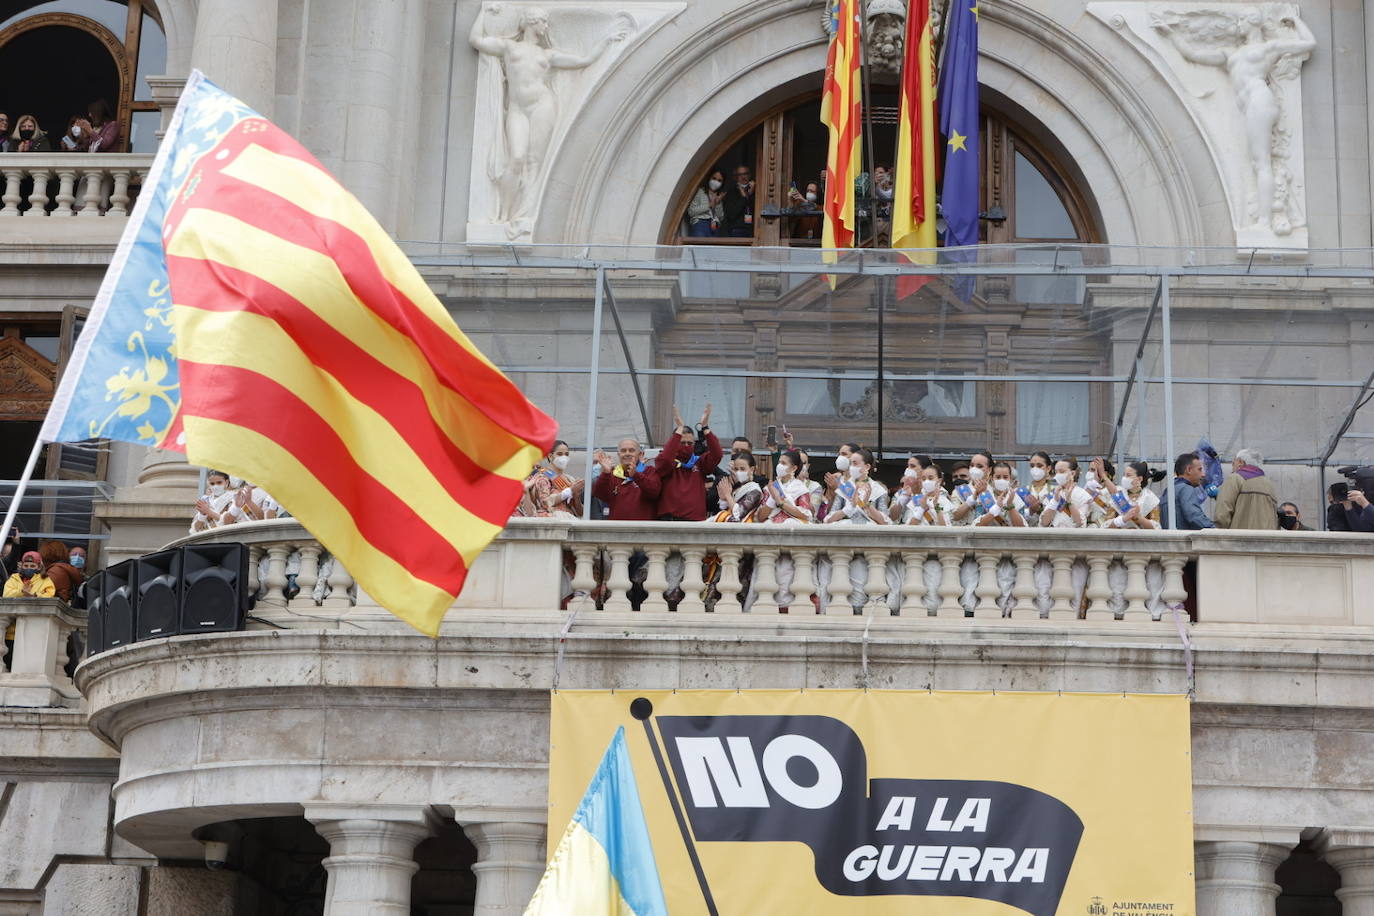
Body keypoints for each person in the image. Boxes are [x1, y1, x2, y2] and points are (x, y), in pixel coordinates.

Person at [653, 404, 722, 521]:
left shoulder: (699, 463)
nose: (686, 446)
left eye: (690, 444)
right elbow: (664, 460)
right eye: (682, 443)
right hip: (670, 521)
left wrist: (705, 428)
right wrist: (679, 429)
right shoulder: (667, 462)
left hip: (695, 521)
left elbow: (717, 454)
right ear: (674, 443)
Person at [592, 438, 661, 521]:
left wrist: (636, 475)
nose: (627, 453)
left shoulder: (650, 471)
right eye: (623, 451)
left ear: (640, 454)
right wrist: (605, 473)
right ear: (618, 454)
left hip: (643, 530)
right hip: (617, 530)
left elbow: (654, 492)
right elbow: (600, 494)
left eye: (631, 450)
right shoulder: (613, 474)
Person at [1214, 448, 1278, 530]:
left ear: (1240, 462)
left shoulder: (1235, 478)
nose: (1232, 467)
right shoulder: (1269, 485)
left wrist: (1220, 533)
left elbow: (1222, 514)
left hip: (1240, 539)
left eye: (1233, 463)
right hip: (1264, 540)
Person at [824, 448, 889, 524]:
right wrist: (848, 508)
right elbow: (828, 520)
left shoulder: (878, 489)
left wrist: (866, 505)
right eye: (850, 463)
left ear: (867, 466)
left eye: (855, 463)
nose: (851, 467)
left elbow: (886, 523)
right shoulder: (845, 487)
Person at [1100, 461, 1166, 529]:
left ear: (1140, 479)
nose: (1124, 478)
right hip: (1119, 538)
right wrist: (1123, 519)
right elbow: (1105, 525)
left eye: (1128, 475)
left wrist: (1138, 517)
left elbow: (1156, 528)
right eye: (1124, 475)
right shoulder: (1119, 495)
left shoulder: (1150, 498)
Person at [530, 440, 584, 518]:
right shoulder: (542, 477)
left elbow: (580, 513)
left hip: (570, 520)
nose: (564, 457)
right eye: (560, 454)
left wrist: (576, 496)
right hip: (552, 522)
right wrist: (568, 492)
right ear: (550, 456)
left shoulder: (570, 479)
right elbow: (545, 503)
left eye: (566, 454)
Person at [1040, 457, 1092, 528]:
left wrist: (1069, 501)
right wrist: (1055, 501)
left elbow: (1080, 523)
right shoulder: (1052, 493)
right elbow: (1044, 522)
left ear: (1073, 473)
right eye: (1056, 472)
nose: (1057, 475)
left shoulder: (1083, 495)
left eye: (1061, 472)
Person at [714, 452, 763, 522]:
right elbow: (724, 512)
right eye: (736, 469)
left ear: (752, 469)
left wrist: (727, 495)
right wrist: (724, 499)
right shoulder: (737, 488)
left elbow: (739, 513)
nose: (739, 472)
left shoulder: (755, 490)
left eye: (742, 469)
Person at [1171, 452, 1215, 530]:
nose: (1203, 475)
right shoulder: (1186, 489)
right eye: (1200, 469)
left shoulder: (1169, 490)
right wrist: (1214, 529)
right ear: (1189, 470)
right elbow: (1194, 516)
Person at [977, 462, 1030, 526]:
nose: (1001, 480)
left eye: (1005, 477)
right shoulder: (984, 497)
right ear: (991, 478)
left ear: (1010, 479)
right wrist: (997, 507)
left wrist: (1010, 506)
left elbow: (1021, 527)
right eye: (998, 477)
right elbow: (978, 525)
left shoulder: (1017, 499)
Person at [950, 450, 994, 525]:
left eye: (979, 466)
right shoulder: (959, 490)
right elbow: (954, 516)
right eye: (972, 465)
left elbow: (1000, 519)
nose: (974, 469)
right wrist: (972, 499)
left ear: (989, 470)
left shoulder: (995, 491)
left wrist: (985, 495)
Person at [686, 170, 726, 237]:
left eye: (719, 180)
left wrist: (718, 203)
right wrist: (709, 205)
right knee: (700, 247)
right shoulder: (700, 192)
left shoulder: (719, 195)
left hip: (715, 227)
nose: (716, 182)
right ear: (709, 178)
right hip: (700, 224)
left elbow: (720, 217)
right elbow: (691, 211)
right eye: (714, 178)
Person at [722, 165, 755, 237]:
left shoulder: (756, 190)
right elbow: (731, 214)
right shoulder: (731, 192)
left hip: (754, 229)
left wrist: (750, 194)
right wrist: (743, 198)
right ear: (735, 177)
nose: (743, 177)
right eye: (740, 175)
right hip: (737, 230)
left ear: (750, 175)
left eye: (745, 174)